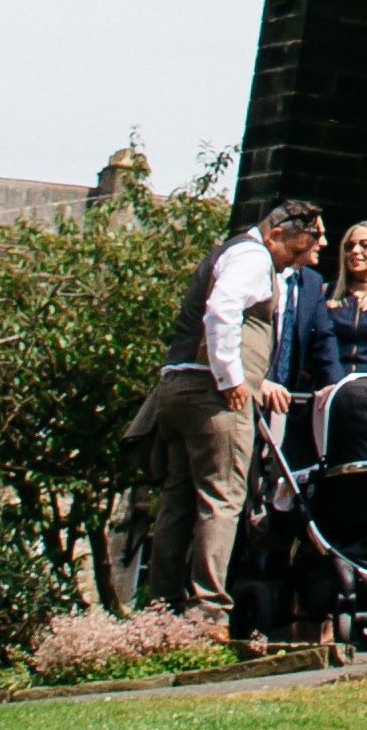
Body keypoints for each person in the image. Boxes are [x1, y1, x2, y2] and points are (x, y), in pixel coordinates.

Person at [130, 194, 323, 626]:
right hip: (212, 397)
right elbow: (222, 311)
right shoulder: (252, 257)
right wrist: (232, 378)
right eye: (300, 246)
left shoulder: (232, 252)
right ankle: (207, 614)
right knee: (223, 498)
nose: (313, 251)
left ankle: (160, 611)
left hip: (178, 388)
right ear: (275, 235)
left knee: (178, 500)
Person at [317, 222, 367, 378]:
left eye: (365, 245)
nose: (355, 251)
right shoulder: (325, 292)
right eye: (349, 246)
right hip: (331, 385)